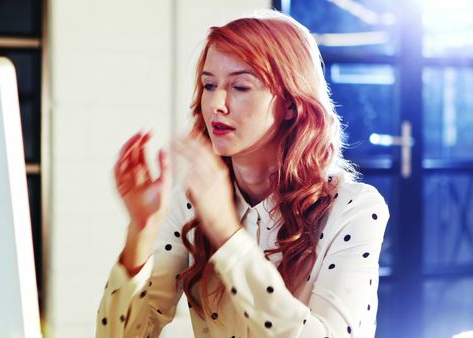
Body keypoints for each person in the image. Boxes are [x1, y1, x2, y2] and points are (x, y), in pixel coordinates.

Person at [96, 9, 389, 338]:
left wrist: (227, 232)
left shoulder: (355, 209)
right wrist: (141, 232)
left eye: (240, 87)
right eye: (209, 85)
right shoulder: (188, 203)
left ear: (291, 104)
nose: (216, 104)